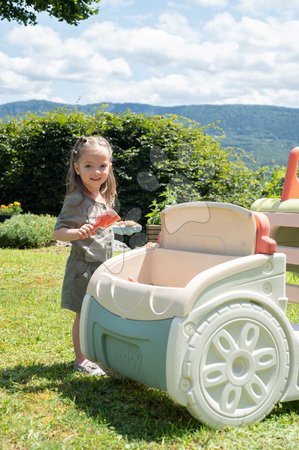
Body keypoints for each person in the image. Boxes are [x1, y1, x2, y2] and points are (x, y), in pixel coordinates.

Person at [54, 136, 117, 376]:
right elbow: (58, 231)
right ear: (77, 167)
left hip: (102, 266)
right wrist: (76, 232)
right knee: (83, 313)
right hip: (84, 267)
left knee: (99, 312)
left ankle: (96, 355)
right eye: (89, 165)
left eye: (102, 165)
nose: (96, 171)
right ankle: (81, 360)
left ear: (109, 166)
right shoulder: (76, 200)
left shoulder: (103, 196)